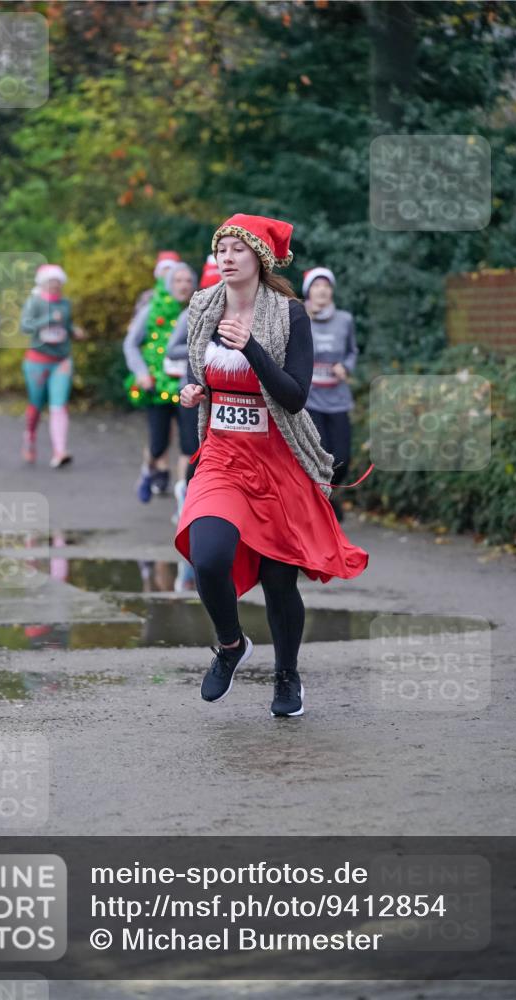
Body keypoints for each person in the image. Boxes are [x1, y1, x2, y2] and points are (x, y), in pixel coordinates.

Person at [174, 214, 369, 719]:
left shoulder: (289, 314)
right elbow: (203, 379)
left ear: (259, 258)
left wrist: (252, 347)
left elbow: (295, 395)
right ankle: (231, 644)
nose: (227, 257)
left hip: (280, 461)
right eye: (222, 248)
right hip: (222, 456)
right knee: (208, 555)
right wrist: (194, 394)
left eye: (239, 249)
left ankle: (287, 675)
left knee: (280, 581)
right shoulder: (203, 307)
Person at [166, 255, 221, 591]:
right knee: (195, 454)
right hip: (196, 397)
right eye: (213, 281)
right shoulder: (194, 312)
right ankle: (187, 502)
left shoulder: (248, 312)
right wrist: (198, 358)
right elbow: (172, 349)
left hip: (227, 403)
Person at [124, 261, 197, 502]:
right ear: (168, 284)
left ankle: (183, 500)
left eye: (188, 281)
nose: (183, 285)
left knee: (189, 446)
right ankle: (149, 470)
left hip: (187, 386)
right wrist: (141, 373)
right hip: (156, 386)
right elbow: (131, 344)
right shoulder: (151, 310)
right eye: (178, 280)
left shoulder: (199, 309)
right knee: (158, 445)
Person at [303, 267, 359, 522]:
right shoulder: (298, 317)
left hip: (337, 398)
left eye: (326, 285)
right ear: (308, 291)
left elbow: (352, 351)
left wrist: (345, 367)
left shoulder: (345, 320)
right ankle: (320, 504)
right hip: (310, 399)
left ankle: (328, 495)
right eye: (316, 285)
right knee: (320, 455)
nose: (322, 290)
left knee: (342, 458)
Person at [19, 264, 85, 468]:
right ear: (43, 283)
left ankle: (60, 451)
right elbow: (25, 326)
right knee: (36, 405)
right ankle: (29, 437)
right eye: (51, 282)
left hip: (61, 360)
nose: (55, 285)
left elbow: (65, 325)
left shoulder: (65, 303)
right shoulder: (35, 302)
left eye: (58, 282)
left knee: (59, 405)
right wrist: (47, 319)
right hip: (37, 360)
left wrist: (75, 331)